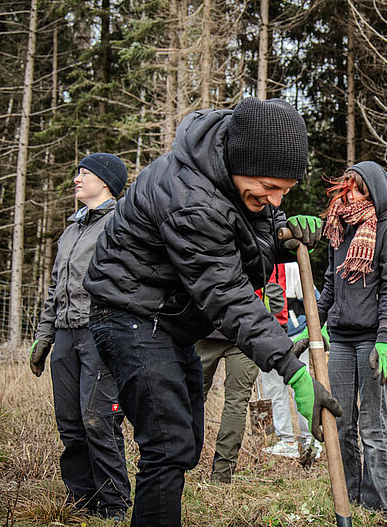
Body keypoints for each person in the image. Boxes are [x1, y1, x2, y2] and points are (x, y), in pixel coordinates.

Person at [84, 97, 342, 526]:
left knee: (183, 442)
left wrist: (280, 240)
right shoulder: (191, 197)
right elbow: (226, 293)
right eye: (270, 187)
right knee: (167, 445)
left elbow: (243, 248)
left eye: (285, 192)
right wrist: (292, 371)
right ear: (242, 162)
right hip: (130, 316)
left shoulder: (231, 178)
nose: (277, 201)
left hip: (169, 322)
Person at [29, 152, 132, 519]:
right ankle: (82, 503)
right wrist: (44, 337)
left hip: (100, 333)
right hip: (65, 336)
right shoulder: (71, 231)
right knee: (71, 425)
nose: (76, 178)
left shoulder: (121, 222)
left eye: (84, 173)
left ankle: (115, 505)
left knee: (98, 420)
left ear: (105, 182)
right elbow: (56, 287)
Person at [317, 161, 387, 514]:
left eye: (356, 188)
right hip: (340, 337)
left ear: (373, 191)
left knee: (372, 424)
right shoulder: (338, 227)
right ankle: (350, 497)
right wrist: (315, 325)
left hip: (373, 338)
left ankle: (380, 504)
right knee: (341, 424)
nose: (348, 193)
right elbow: (329, 284)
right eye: (346, 187)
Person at [260, 262, 321, 459]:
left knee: (301, 387)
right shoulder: (254, 265)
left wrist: (308, 334)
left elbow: (314, 299)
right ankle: (286, 440)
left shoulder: (293, 267)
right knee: (273, 389)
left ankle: (310, 439)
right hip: (264, 337)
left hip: (295, 336)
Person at [195, 330, 258, 483]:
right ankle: (222, 476)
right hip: (245, 329)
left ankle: (175, 464)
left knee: (190, 398)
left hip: (205, 329)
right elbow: (277, 306)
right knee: (236, 403)